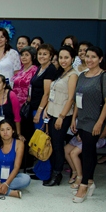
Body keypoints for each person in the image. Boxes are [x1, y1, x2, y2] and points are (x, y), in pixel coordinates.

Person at [70, 46, 106, 203]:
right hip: (82, 119)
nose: (89, 59)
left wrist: (100, 122)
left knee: (88, 151)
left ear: (100, 59)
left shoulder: (104, 77)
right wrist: (74, 118)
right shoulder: (82, 75)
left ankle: (84, 185)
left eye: (93, 57)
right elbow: (77, 99)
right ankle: (89, 181)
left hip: (95, 120)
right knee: (86, 151)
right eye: (87, 56)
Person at [42, 46, 78, 187]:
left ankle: (57, 175)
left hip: (61, 116)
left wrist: (62, 117)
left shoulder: (73, 75)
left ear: (73, 59)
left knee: (58, 146)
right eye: (61, 57)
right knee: (52, 144)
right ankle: (52, 172)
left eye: (66, 57)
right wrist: (46, 109)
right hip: (52, 113)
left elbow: (70, 99)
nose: (63, 60)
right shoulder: (61, 73)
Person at [26, 44, 58, 139]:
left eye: (45, 54)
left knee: (39, 139)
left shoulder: (50, 69)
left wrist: (39, 112)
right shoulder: (40, 67)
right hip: (34, 105)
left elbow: (46, 93)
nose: (42, 56)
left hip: (41, 110)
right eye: (40, 54)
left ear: (50, 56)